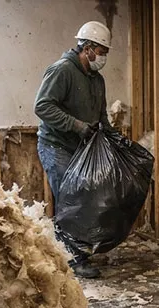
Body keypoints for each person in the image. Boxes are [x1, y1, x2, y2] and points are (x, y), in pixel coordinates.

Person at [34, 21, 113, 279]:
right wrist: (77, 126)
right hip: (56, 145)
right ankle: (73, 258)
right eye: (101, 52)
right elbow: (43, 106)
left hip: (81, 150)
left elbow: (101, 116)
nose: (103, 58)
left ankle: (74, 251)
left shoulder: (97, 80)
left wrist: (113, 139)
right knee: (71, 199)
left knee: (87, 197)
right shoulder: (62, 70)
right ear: (87, 48)